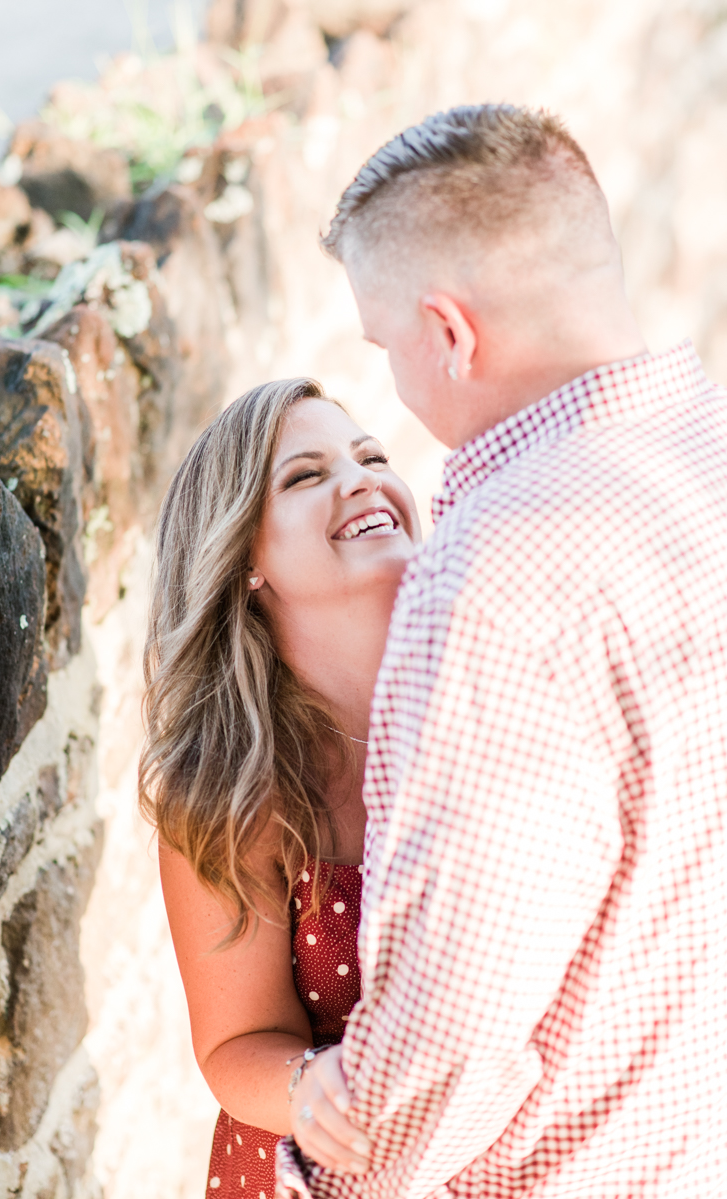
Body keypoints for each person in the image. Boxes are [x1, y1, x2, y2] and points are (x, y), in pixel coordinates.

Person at [276, 104, 727, 1197]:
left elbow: (458, 1003)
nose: (395, 388)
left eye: (386, 349)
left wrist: (334, 1178)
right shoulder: (705, 440)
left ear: (448, 331)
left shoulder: (495, 570)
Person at [139, 377, 421, 1198]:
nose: (363, 476)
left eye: (371, 455)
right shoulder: (231, 798)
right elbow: (237, 1043)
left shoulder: (492, 692)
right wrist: (313, 1087)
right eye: (306, 475)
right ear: (245, 559)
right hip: (324, 1170)